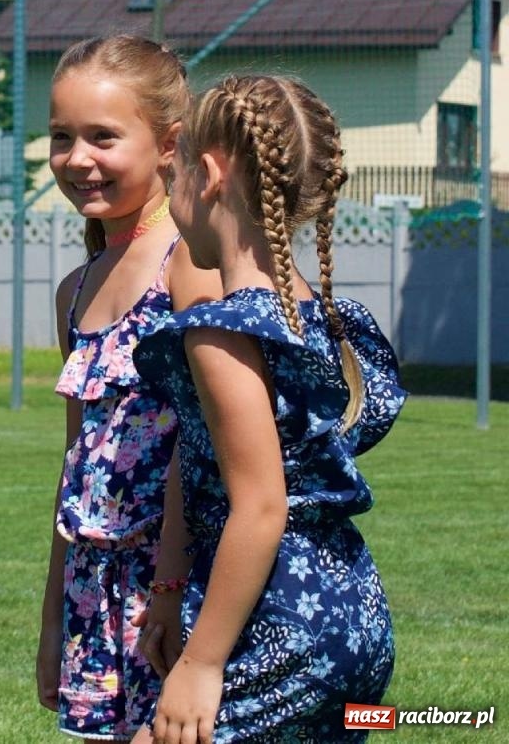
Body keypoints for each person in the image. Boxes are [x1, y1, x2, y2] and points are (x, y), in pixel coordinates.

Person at [129, 75, 407, 744]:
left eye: (176, 172)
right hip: (353, 613)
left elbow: (261, 505)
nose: (170, 194)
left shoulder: (221, 333)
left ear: (213, 172)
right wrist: (172, 591)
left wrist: (200, 663)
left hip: (278, 625)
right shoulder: (314, 319)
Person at [36, 35, 220, 742]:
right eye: (61, 137)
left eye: (102, 136)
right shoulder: (74, 290)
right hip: (93, 590)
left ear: (169, 143)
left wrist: (173, 595)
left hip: (170, 585)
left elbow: (208, 445)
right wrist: (54, 617)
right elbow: (74, 464)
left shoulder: (190, 264)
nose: (77, 159)